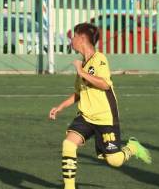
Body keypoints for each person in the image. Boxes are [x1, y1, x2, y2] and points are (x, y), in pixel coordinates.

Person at [49, 23, 151, 189]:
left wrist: (81, 72)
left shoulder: (99, 59)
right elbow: (79, 92)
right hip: (86, 116)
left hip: (105, 117)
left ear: (82, 39)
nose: (71, 40)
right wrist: (60, 107)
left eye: (74, 36)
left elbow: (104, 84)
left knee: (115, 160)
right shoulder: (83, 62)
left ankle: (132, 147)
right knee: (68, 144)